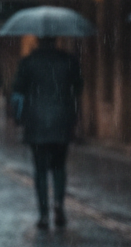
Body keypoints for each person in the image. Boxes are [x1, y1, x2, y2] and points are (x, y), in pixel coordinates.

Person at [12, 36, 83, 230]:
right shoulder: (68, 61)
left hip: (36, 122)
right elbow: (78, 87)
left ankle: (43, 214)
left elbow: (17, 90)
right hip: (62, 120)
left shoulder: (28, 62)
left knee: (40, 170)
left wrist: (19, 118)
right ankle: (59, 203)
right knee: (59, 166)